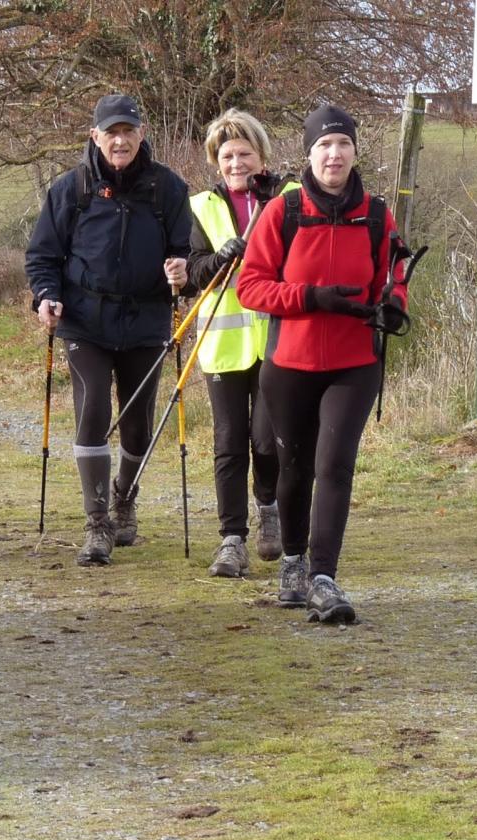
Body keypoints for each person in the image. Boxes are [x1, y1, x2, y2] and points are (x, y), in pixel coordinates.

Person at [236, 105, 408, 623]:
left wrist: (395, 302)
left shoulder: (377, 214)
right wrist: (312, 298)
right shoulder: (283, 213)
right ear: (309, 154)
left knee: (335, 464)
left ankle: (323, 578)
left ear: (356, 153)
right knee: (295, 466)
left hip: (356, 361)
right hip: (290, 362)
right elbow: (251, 287)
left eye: (343, 145)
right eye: (324, 146)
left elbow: (394, 272)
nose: (334, 155)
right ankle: (292, 559)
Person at [25, 93, 192, 566]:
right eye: (111, 132)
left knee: (138, 424)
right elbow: (42, 256)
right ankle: (97, 522)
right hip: (85, 321)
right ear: (95, 136)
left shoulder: (168, 189)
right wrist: (45, 295)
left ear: (142, 135)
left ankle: (124, 496)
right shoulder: (71, 189)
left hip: (146, 321)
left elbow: (186, 249)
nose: (120, 140)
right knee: (93, 409)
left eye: (128, 131)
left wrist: (182, 269)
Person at [186, 109, 290, 578]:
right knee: (229, 443)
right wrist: (216, 260)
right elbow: (190, 271)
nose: (236, 163)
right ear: (215, 160)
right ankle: (232, 539)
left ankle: (268, 505)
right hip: (223, 344)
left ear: (261, 155)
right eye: (227, 155)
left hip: (278, 341)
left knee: (267, 441)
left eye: (244, 154)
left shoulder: (288, 197)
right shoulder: (202, 206)